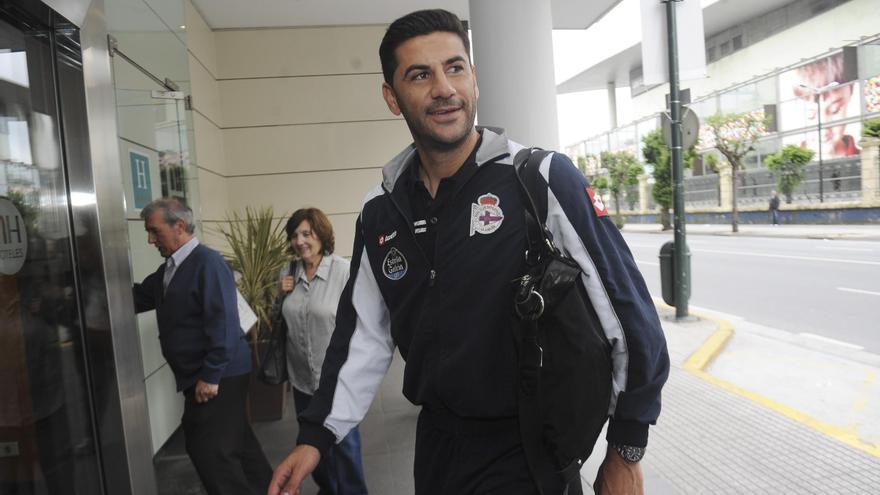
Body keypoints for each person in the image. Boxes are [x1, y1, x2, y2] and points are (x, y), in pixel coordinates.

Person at [269, 9, 669, 495]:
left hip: (532, 449)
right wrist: (316, 436)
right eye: (420, 74)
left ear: (474, 81)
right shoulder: (381, 213)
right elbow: (364, 336)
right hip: (439, 448)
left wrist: (626, 449)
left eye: (455, 68)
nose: (443, 87)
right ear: (392, 98)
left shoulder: (540, 180)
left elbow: (628, 317)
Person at [132, 198, 272, 495]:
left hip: (217, 376)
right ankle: (273, 490)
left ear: (179, 226)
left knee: (211, 453)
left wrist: (210, 375)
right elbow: (137, 297)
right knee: (239, 444)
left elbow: (223, 323)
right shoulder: (168, 270)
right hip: (205, 375)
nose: (149, 239)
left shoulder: (207, 263)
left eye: (154, 231)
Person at [278, 208, 368, 494]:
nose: (300, 241)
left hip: (337, 380)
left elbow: (361, 320)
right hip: (303, 380)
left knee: (345, 450)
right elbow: (279, 321)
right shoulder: (288, 272)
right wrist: (280, 296)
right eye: (295, 235)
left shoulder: (342, 270)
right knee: (313, 449)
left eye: (307, 233)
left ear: (321, 234)